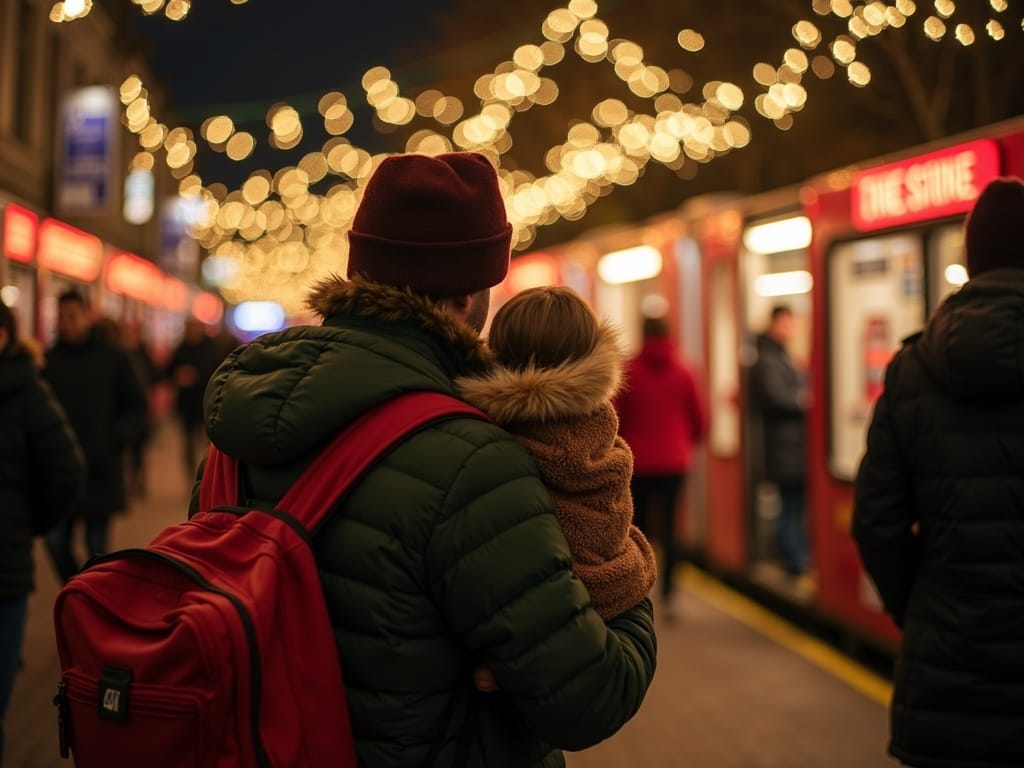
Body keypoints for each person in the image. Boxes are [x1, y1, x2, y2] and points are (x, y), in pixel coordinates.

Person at [194, 152, 656, 767]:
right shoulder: (473, 461)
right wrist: (626, 582)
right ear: (469, 295)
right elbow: (592, 697)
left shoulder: (233, 434)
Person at [853, 176, 1024, 768]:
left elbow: (876, 521)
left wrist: (920, 605)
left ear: (970, 261)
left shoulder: (909, 371)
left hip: (948, 677)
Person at [456, 285, 657, 621]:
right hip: (605, 617)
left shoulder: (486, 442)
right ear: (590, 353)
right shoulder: (603, 435)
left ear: (499, 353)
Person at [0, 300, 84, 761]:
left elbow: (66, 471)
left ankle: (89, 616)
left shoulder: (27, 391)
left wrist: (27, 526)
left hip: (5, 566)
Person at [42, 291, 148, 583]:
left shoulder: (113, 358)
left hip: (100, 470)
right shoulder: (48, 362)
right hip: (60, 473)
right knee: (55, 542)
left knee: (97, 550)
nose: (66, 323)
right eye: (61, 317)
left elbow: (137, 407)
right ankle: (79, 593)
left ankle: (91, 602)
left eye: (72, 316)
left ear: (88, 316)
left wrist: (115, 439)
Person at [614, 315, 707, 614]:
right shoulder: (685, 371)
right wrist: (681, 444)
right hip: (674, 462)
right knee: (670, 527)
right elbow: (700, 421)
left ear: (643, 334)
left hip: (638, 462)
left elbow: (616, 419)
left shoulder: (628, 371)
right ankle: (669, 593)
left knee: (638, 528)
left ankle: (641, 589)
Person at [749, 305, 810, 577]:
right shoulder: (768, 359)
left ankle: (795, 557)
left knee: (793, 505)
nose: (790, 329)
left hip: (791, 447)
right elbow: (776, 398)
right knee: (790, 506)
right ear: (773, 324)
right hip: (784, 447)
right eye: (786, 323)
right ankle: (794, 560)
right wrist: (803, 400)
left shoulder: (779, 356)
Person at [165, 317, 218, 480]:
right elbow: (167, 371)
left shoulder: (210, 348)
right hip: (186, 405)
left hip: (206, 402)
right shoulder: (181, 348)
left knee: (209, 444)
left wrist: (196, 376)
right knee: (187, 443)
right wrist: (178, 375)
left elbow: (216, 371)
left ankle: (208, 475)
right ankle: (192, 477)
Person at [119, 323, 158, 497]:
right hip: (126, 411)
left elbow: (156, 375)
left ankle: (139, 481)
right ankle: (131, 482)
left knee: (139, 450)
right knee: (130, 450)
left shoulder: (143, 356)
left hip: (140, 411)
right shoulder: (120, 357)